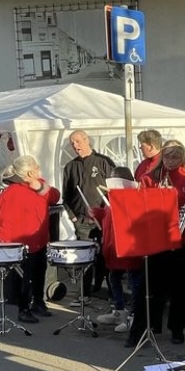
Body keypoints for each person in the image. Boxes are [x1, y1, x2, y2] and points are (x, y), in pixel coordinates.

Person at [137, 140, 185, 345]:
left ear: (183, 157)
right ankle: (153, 324)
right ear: (162, 157)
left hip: (184, 240)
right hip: (157, 239)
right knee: (155, 285)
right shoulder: (150, 178)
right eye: (168, 156)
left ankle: (177, 328)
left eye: (176, 156)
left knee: (181, 286)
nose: (171, 160)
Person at [0, 155, 60, 323]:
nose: (39, 169)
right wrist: (8, 247)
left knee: (40, 273)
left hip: (40, 240)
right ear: (30, 173)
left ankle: (38, 302)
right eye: (37, 167)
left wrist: (41, 187)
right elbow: (4, 221)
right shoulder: (12, 193)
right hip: (23, 244)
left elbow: (55, 197)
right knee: (25, 278)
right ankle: (23, 309)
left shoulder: (38, 185)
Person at [62, 130, 116, 306]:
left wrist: (108, 214)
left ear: (86, 140)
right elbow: (66, 196)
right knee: (85, 258)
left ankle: (112, 295)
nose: (75, 145)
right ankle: (84, 294)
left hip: (104, 220)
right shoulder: (70, 167)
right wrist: (73, 217)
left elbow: (114, 190)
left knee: (106, 258)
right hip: (82, 221)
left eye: (78, 141)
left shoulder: (103, 162)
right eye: (72, 143)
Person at [92, 167, 144, 332]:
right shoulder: (112, 198)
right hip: (112, 246)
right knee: (113, 277)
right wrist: (99, 214)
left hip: (129, 247)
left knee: (134, 282)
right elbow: (108, 217)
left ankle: (134, 316)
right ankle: (119, 311)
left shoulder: (134, 198)